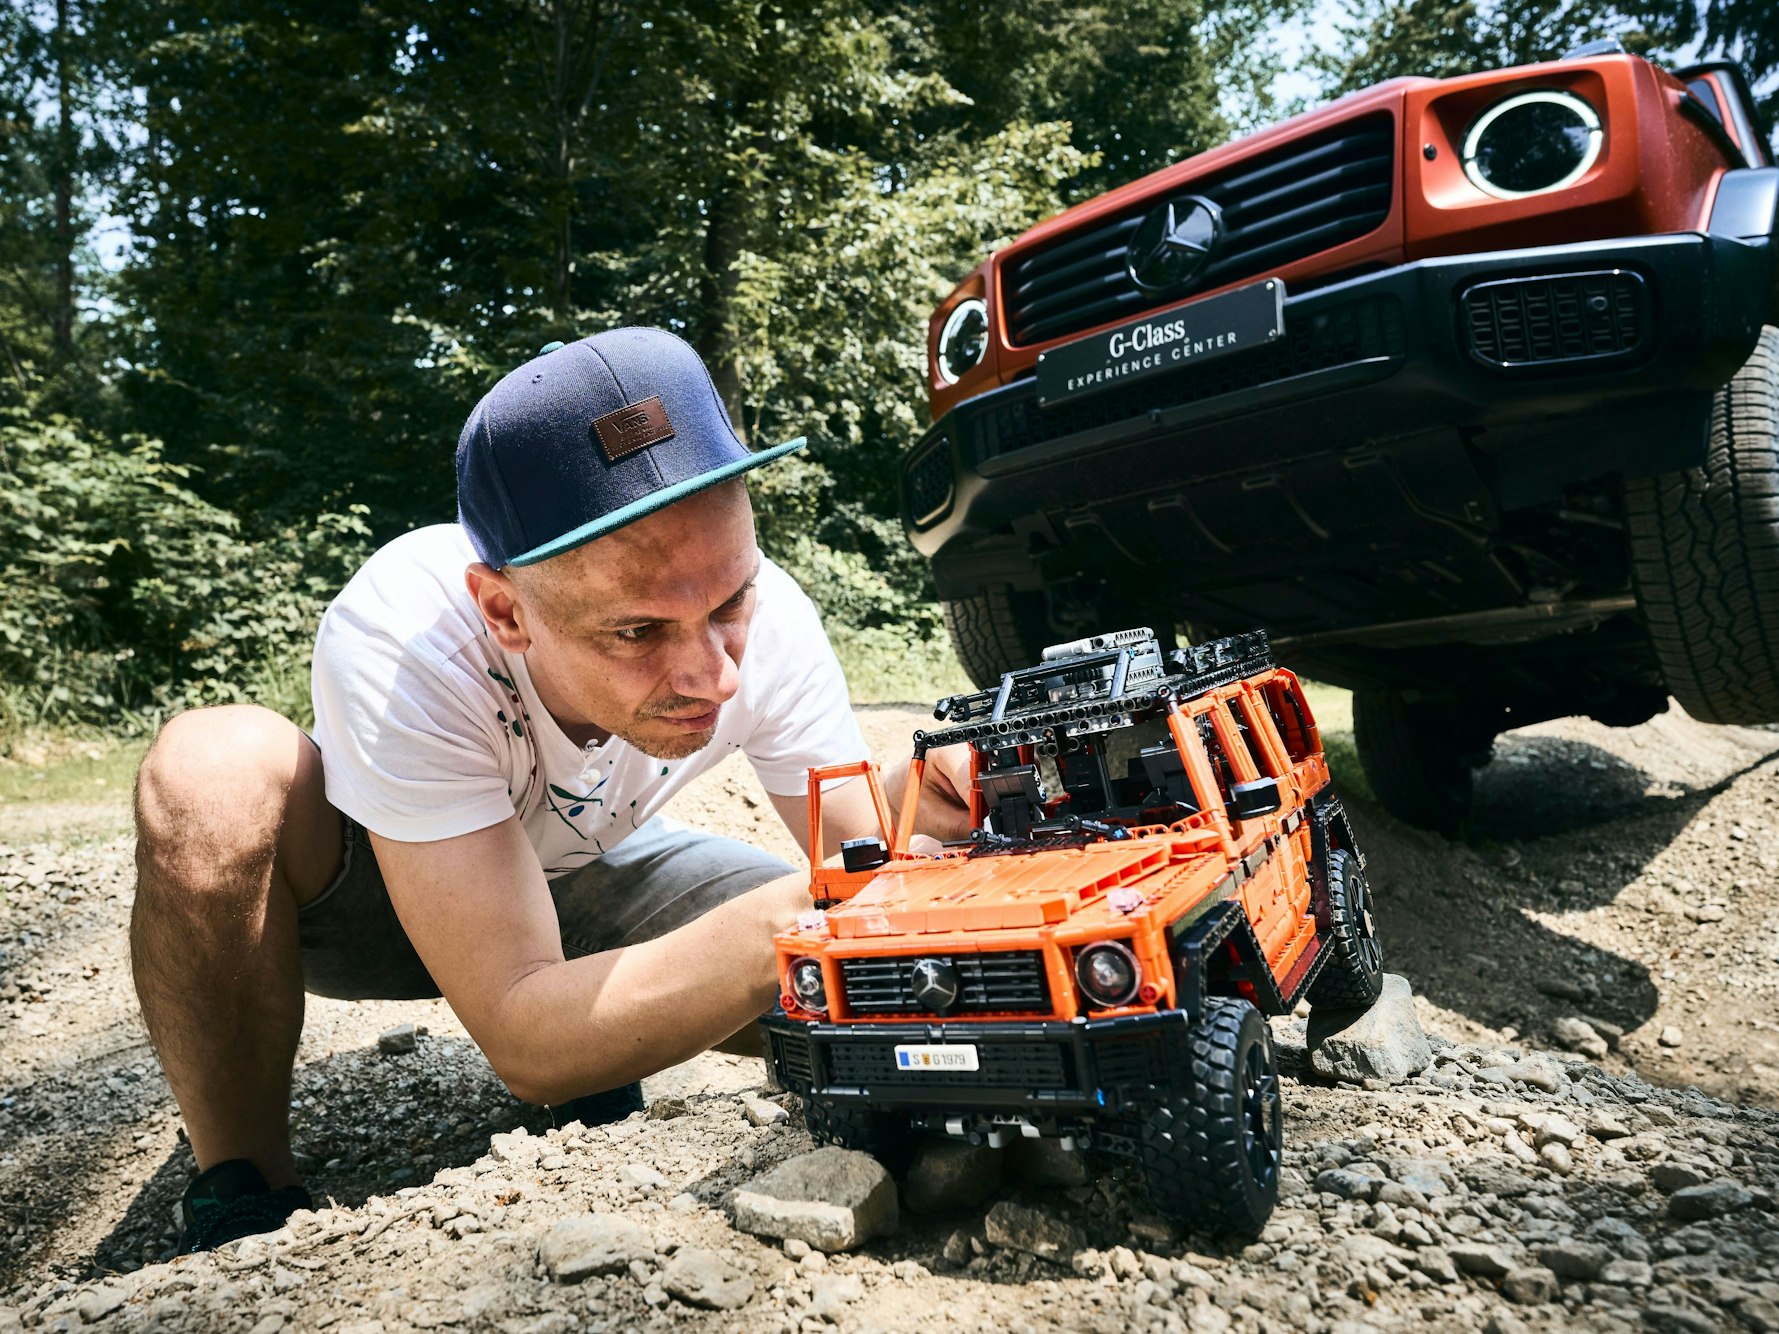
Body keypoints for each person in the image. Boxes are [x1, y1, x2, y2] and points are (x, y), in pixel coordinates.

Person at [130, 327, 972, 1252]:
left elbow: (859, 850)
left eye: (728, 604)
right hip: (368, 896)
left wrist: (936, 793)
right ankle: (242, 1181)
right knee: (211, 765)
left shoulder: (772, 615)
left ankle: (609, 1044)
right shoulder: (407, 639)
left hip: (589, 876)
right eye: (637, 632)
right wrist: (798, 915)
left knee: (891, 976)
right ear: (505, 611)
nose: (714, 674)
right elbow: (526, 1042)